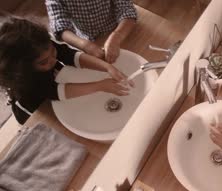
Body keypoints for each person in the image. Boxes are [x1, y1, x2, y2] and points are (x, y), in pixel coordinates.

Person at [0, 15, 132, 124]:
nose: (53, 59)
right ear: (24, 68)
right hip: (35, 108)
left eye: (53, 52)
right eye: (44, 62)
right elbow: (54, 91)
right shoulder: (26, 80)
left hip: (52, 83)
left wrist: (107, 67)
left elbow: (69, 54)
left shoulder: (42, 45)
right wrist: (99, 86)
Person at [46, 0, 137, 63]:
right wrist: (85, 45)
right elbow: (60, 28)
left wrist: (117, 37)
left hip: (119, 28)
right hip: (83, 38)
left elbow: (127, 10)